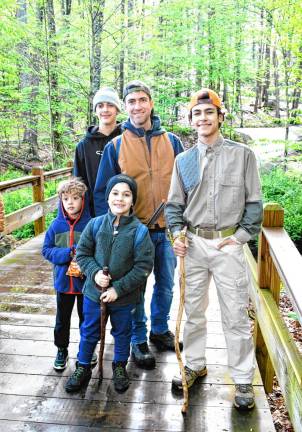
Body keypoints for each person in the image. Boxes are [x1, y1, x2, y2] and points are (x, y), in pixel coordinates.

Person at [165, 88, 263, 411]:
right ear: (191, 120)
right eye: (197, 114)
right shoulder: (185, 160)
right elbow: (174, 206)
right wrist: (177, 235)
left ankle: (243, 378)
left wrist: (240, 237)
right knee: (193, 310)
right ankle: (194, 364)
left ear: (220, 116)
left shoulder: (243, 155)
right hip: (193, 245)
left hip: (227, 245)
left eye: (209, 112)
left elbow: (254, 203)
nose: (203, 118)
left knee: (235, 313)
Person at [93, 80, 184, 369]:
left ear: (151, 103)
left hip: (168, 230)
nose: (137, 106)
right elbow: (102, 193)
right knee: (135, 289)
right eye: (131, 101)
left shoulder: (172, 141)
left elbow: (187, 185)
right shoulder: (116, 145)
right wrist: (107, 234)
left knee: (166, 285)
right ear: (126, 106)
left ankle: (159, 330)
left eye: (142, 100)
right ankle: (138, 339)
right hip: (134, 233)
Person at [65, 174, 154, 393]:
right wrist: (95, 273)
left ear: (133, 200)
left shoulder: (139, 231)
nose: (120, 199)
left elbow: (143, 267)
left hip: (124, 298)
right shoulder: (95, 225)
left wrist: (118, 288)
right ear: (107, 198)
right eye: (115, 193)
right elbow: (83, 254)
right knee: (89, 330)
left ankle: (119, 366)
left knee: (123, 332)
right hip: (94, 295)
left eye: (126, 195)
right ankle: (83, 366)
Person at [42, 177, 94, 371]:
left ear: (83, 200)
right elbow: (46, 250)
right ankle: (61, 349)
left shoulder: (91, 225)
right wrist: (67, 253)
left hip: (86, 284)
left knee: (86, 319)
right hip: (63, 284)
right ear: (60, 201)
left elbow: (97, 251)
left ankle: (86, 349)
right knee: (62, 320)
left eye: (75, 198)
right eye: (65, 199)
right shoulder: (56, 226)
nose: (70, 202)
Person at [73, 87, 122, 215]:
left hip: (126, 213)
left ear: (117, 109)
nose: (105, 109)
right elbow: (78, 184)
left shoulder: (127, 140)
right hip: (95, 215)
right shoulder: (83, 146)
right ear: (95, 111)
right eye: (100, 106)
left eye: (110, 105)